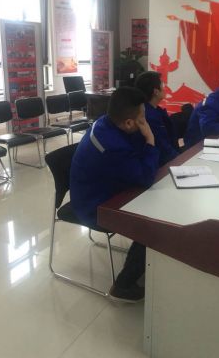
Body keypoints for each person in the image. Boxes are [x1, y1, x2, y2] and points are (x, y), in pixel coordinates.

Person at [70, 87, 160, 302]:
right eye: (142, 118)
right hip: (94, 206)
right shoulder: (111, 145)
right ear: (128, 123)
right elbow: (145, 177)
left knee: (156, 203)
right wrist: (150, 139)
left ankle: (147, 260)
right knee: (154, 224)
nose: (145, 121)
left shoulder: (108, 122)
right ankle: (123, 285)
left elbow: (136, 158)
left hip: (105, 190)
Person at [134, 71, 179, 166]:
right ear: (156, 92)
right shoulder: (149, 117)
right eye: (162, 85)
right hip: (161, 166)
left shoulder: (154, 110)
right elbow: (164, 151)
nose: (165, 88)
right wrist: (181, 160)